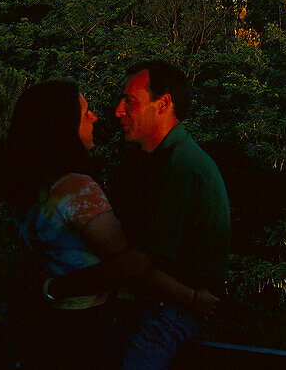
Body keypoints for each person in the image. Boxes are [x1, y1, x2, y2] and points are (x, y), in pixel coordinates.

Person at [6, 81, 217, 369]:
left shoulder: (29, 189)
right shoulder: (75, 188)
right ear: (62, 126)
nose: (95, 117)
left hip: (50, 323)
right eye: (85, 113)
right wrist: (191, 297)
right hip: (87, 329)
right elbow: (130, 266)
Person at [110, 60, 231, 368]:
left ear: (163, 104)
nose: (118, 111)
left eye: (130, 102)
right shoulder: (144, 160)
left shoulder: (180, 167)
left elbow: (137, 263)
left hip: (170, 310)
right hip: (152, 300)